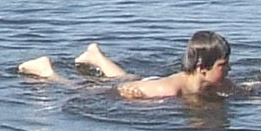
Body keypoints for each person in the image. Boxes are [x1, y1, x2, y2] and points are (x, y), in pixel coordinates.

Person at [21, 31, 233, 100]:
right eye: (223, 65)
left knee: (129, 77)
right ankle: (47, 71)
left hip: (148, 82)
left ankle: (96, 56)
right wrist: (131, 97)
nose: (229, 69)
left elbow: (244, 91)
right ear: (202, 68)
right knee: (83, 89)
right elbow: (128, 91)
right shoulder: (167, 91)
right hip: (147, 87)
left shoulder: (219, 84)